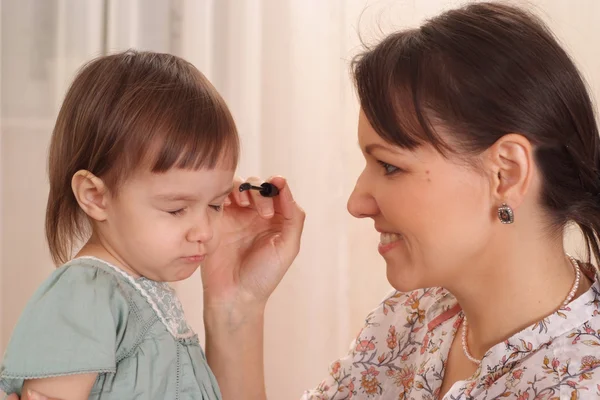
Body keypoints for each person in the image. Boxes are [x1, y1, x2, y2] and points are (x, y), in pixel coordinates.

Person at [7, 1, 600, 399]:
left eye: (389, 165)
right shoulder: (413, 319)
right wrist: (236, 302)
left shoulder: (583, 377)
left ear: (506, 173)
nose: (357, 201)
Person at [0, 50, 304, 399]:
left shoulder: (142, 294)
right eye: (177, 210)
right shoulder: (87, 292)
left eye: (216, 205)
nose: (204, 232)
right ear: (95, 196)